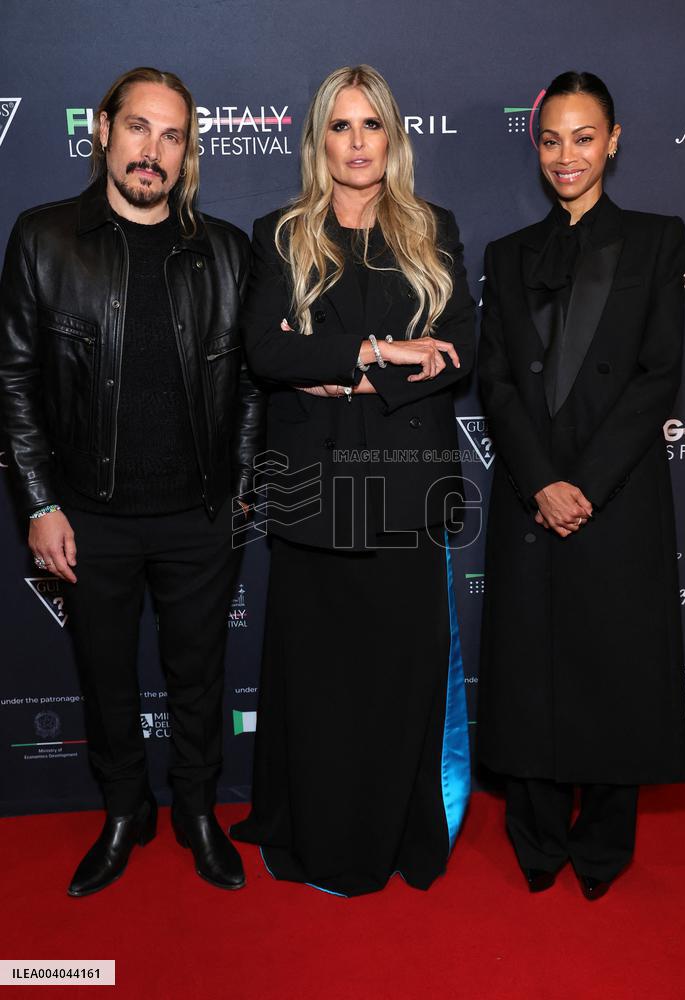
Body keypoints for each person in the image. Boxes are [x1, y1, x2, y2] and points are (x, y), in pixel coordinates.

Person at [0, 67, 265, 895]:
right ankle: (124, 811)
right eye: (139, 128)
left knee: (199, 675)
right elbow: (12, 379)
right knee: (104, 674)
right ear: (104, 131)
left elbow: (253, 383)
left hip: (200, 515)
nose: (153, 150)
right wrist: (39, 502)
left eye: (173, 136)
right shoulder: (44, 239)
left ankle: (195, 811)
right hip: (89, 515)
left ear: (188, 153)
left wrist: (245, 485)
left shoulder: (224, 251)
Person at [229, 64, 476, 897]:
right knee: (323, 686)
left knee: (397, 681)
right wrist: (381, 352)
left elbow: (457, 354)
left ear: (394, 138)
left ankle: (401, 829)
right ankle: (314, 830)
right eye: (340, 126)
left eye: (372, 125)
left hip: (406, 492)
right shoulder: (279, 233)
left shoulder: (432, 230)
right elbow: (267, 352)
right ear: (318, 139)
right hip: (313, 495)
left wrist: (337, 371)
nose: (357, 141)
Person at [477, 71, 685, 900]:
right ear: (536, 146)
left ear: (613, 139)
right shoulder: (505, 255)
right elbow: (494, 384)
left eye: (582, 137)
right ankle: (533, 839)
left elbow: (656, 376)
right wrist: (540, 481)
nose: (565, 155)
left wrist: (584, 484)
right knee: (529, 667)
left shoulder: (657, 238)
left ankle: (602, 846)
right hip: (531, 496)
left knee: (613, 668)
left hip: (617, 491)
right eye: (550, 139)